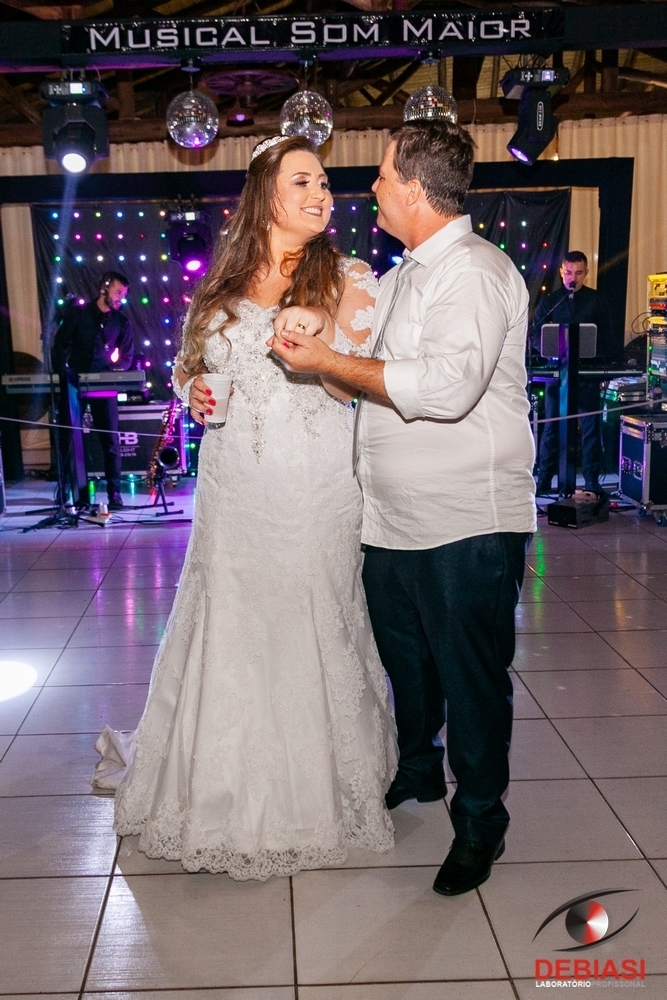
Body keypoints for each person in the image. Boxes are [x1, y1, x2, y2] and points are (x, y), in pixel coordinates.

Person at [92, 135, 397, 880]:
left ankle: (312, 794)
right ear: (265, 196)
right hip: (232, 487)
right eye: (303, 182)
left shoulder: (349, 277)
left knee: (307, 618)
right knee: (228, 620)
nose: (321, 194)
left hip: (312, 485)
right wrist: (192, 392)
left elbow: (351, 385)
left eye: (324, 182)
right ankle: (215, 785)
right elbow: (187, 368)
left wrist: (320, 341)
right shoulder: (220, 284)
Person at [269, 121, 536, 897]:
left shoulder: (475, 272)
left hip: (464, 518)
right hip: (388, 518)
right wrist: (313, 350)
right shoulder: (400, 277)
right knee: (406, 663)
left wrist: (329, 360)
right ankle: (417, 768)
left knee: (469, 675)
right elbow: (362, 367)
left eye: (383, 176)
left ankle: (479, 819)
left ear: (414, 188)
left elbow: (447, 390)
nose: (373, 188)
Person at [531, 251, 614, 497]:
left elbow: (607, 337)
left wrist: (602, 369)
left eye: (578, 273)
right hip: (558, 375)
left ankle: (591, 481)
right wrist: (548, 351)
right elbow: (536, 334)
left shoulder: (597, 300)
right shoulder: (552, 301)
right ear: (561, 272)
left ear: (586, 273)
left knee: (590, 429)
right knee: (551, 428)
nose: (573, 278)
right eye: (568, 272)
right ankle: (544, 479)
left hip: (586, 375)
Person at [51, 271, 133, 509]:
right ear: (104, 287)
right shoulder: (79, 314)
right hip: (75, 383)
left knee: (110, 440)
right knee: (69, 438)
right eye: (118, 292)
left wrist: (112, 371)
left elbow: (127, 357)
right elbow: (59, 345)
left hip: (104, 384)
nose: (121, 298)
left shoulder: (121, 322)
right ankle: (70, 491)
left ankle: (114, 494)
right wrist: (64, 373)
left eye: (124, 294)